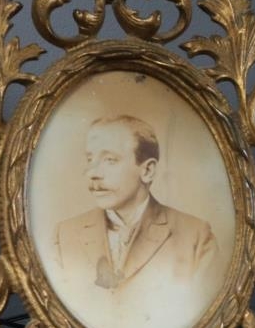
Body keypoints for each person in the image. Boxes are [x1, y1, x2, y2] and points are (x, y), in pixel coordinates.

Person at [51, 115, 216, 291]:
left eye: (110, 160)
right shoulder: (64, 235)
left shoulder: (195, 237)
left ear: (147, 170)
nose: (93, 173)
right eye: (90, 159)